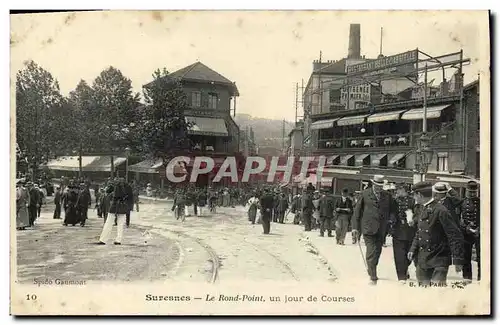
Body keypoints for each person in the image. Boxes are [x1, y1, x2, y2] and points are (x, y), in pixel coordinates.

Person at [408, 181, 465, 286]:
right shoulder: (422, 208)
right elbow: (419, 231)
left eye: (414, 195)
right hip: (423, 260)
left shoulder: (441, 210)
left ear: (419, 195)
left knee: (436, 294)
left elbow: (455, 236)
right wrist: (412, 249)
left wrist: (458, 259)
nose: (414, 197)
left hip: (439, 260)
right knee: (422, 294)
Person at [352, 175, 394, 285]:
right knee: (371, 251)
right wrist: (355, 228)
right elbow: (357, 212)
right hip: (368, 228)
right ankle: (373, 276)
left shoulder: (387, 196)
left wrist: (391, 220)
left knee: (377, 252)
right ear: (373, 184)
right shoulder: (365, 194)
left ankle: (371, 268)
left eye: (380, 186)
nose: (378, 188)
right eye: (376, 186)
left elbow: (393, 210)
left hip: (382, 229)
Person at [390, 183, 417, 283]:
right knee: (399, 255)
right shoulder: (394, 201)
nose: (397, 191)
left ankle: (404, 269)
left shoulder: (413, 201)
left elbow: (417, 213)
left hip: (410, 231)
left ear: (404, 190)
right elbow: (391, 213)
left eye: (399, 189)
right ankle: (401, 276)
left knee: (408, 255)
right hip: (397, 230)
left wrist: (413, 219)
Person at [96, 178, 133, 245]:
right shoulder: (128, 187)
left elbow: (112, 194)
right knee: (120, 224)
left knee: (109, 222)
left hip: (115, 205)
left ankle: (103, 239)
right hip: (123, 206)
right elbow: (131, 198)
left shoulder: (116, 185)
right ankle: (118, 240)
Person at [459, 181, 481, 282]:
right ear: (466, 191)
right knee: (466, 257)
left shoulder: (482, 202)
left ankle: (482, 278)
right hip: (466, 233)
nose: (472, 194)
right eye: (470, 192)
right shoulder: (462, 202)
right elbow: (459, 218)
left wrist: (479, 228)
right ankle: (467, 279)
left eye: (474, 192)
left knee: (481, 257)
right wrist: (465, 227)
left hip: (479, 233)